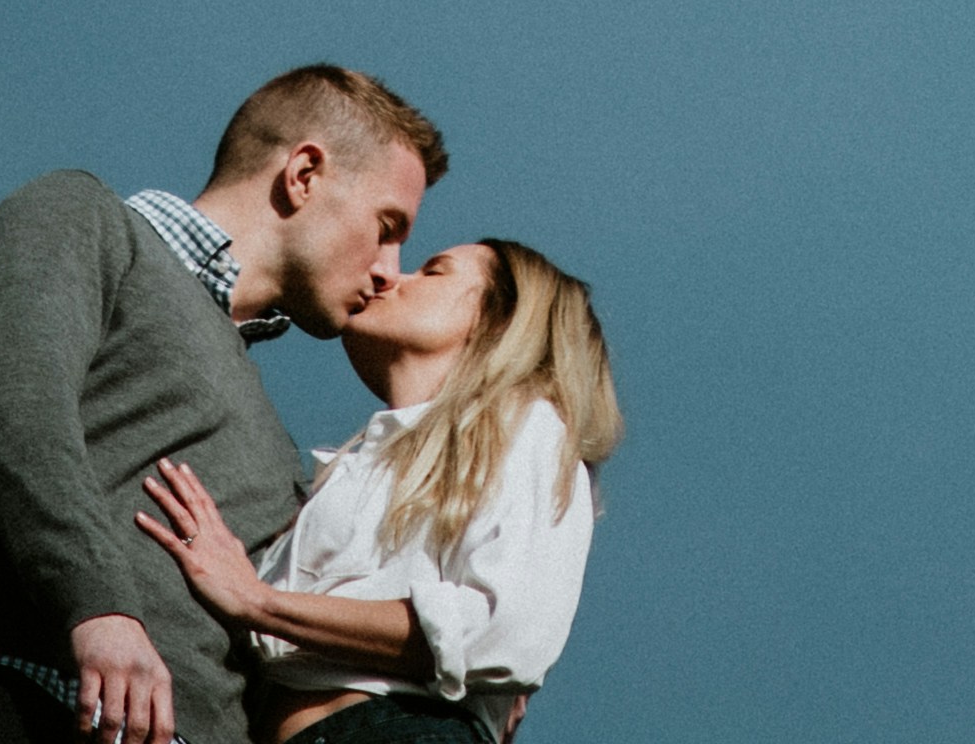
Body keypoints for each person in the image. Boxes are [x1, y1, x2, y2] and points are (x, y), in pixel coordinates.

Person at [0, 66, 449, 744]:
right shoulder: (86, 219)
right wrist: (99, 610)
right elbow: (15, 411)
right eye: (387, 226)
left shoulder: (280, 454)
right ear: (304, 174)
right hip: (33, 693)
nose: (391, 268)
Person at [129, 235, 619, 744]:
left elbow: (507, 635)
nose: (388, 277)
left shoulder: (532, 428)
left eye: (434, 271)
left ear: (500, 321)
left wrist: (259, 602)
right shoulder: (351, 473)